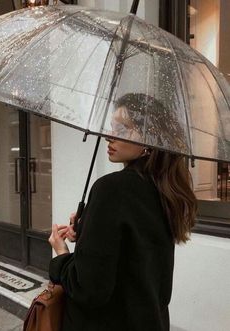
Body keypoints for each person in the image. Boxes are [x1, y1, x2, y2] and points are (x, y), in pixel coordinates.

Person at [48, 93, 197, 331]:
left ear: (150, 140)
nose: (109, 136)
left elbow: (88, 290)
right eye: (112, 127)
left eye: (123, 128)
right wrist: (88, 229)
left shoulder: (112, 189)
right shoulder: (165, 191)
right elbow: (134, 255)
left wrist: (61, 253)